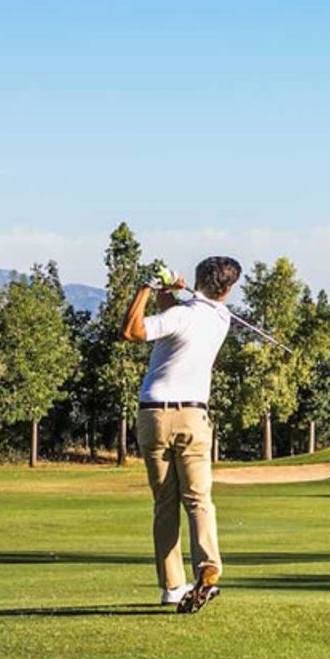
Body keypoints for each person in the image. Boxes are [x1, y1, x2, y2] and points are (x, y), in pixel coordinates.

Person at [122, 255, 241, 613]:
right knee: (198, 500)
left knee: (165, 504)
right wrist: (171, 293)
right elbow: (179, 320)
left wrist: (147, 288)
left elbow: (133, 332)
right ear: (229, 288)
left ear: (198, 279)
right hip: (193, 417)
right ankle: (207, 567)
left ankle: (173, 586)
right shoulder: (222, 317)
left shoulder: (182, 314)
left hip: (154, 415)